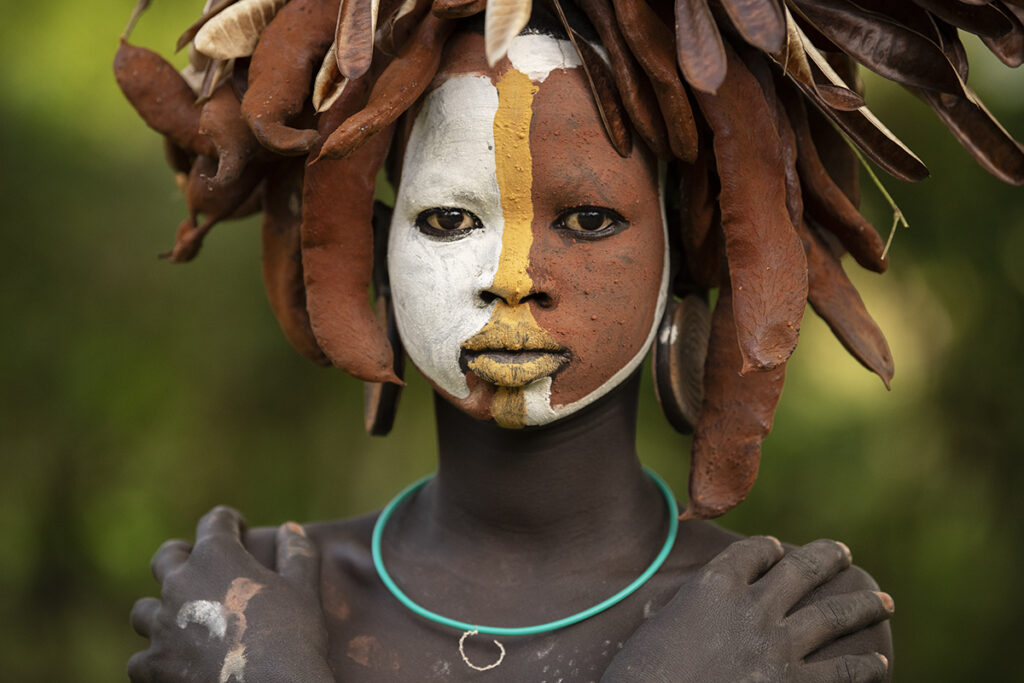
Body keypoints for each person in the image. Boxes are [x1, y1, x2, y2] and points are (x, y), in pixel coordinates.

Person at [116, 1, 1023, 680]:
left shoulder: (787, 631)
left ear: (683, 245)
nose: (513, 274)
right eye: (446, 218)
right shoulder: (238, 602)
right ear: (375, 255)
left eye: (588, 218)